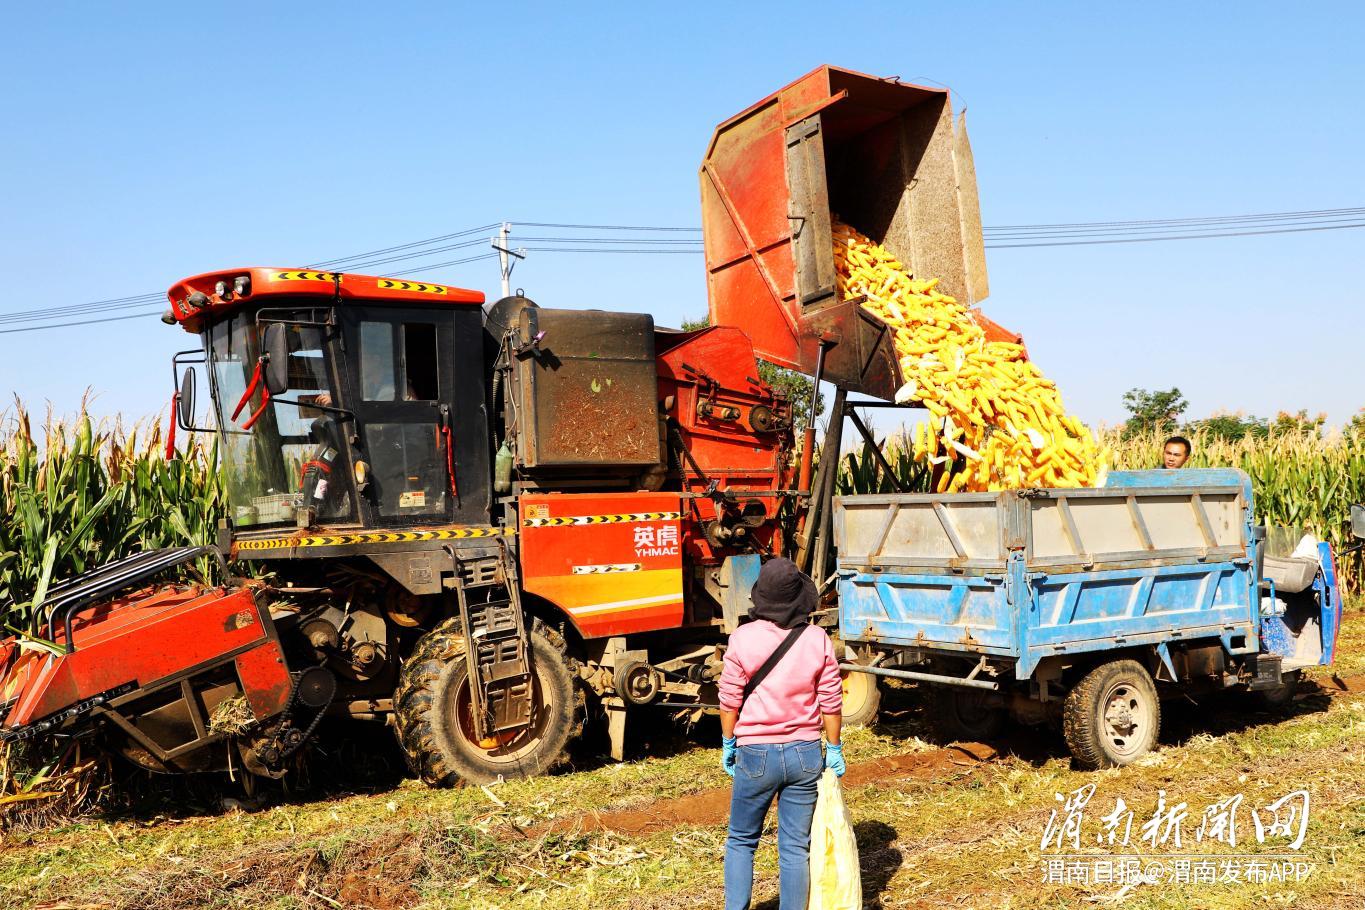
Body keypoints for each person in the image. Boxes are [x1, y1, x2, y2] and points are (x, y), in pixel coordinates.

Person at [718, 557, 845, 910]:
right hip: (805, 754)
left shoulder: (742, 638)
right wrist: (834, 748)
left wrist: (729, 741)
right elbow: (831, 701)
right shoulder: (817, 639)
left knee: (742, 841)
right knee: (795, 847)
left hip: (755, 755)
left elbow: (728, 700)